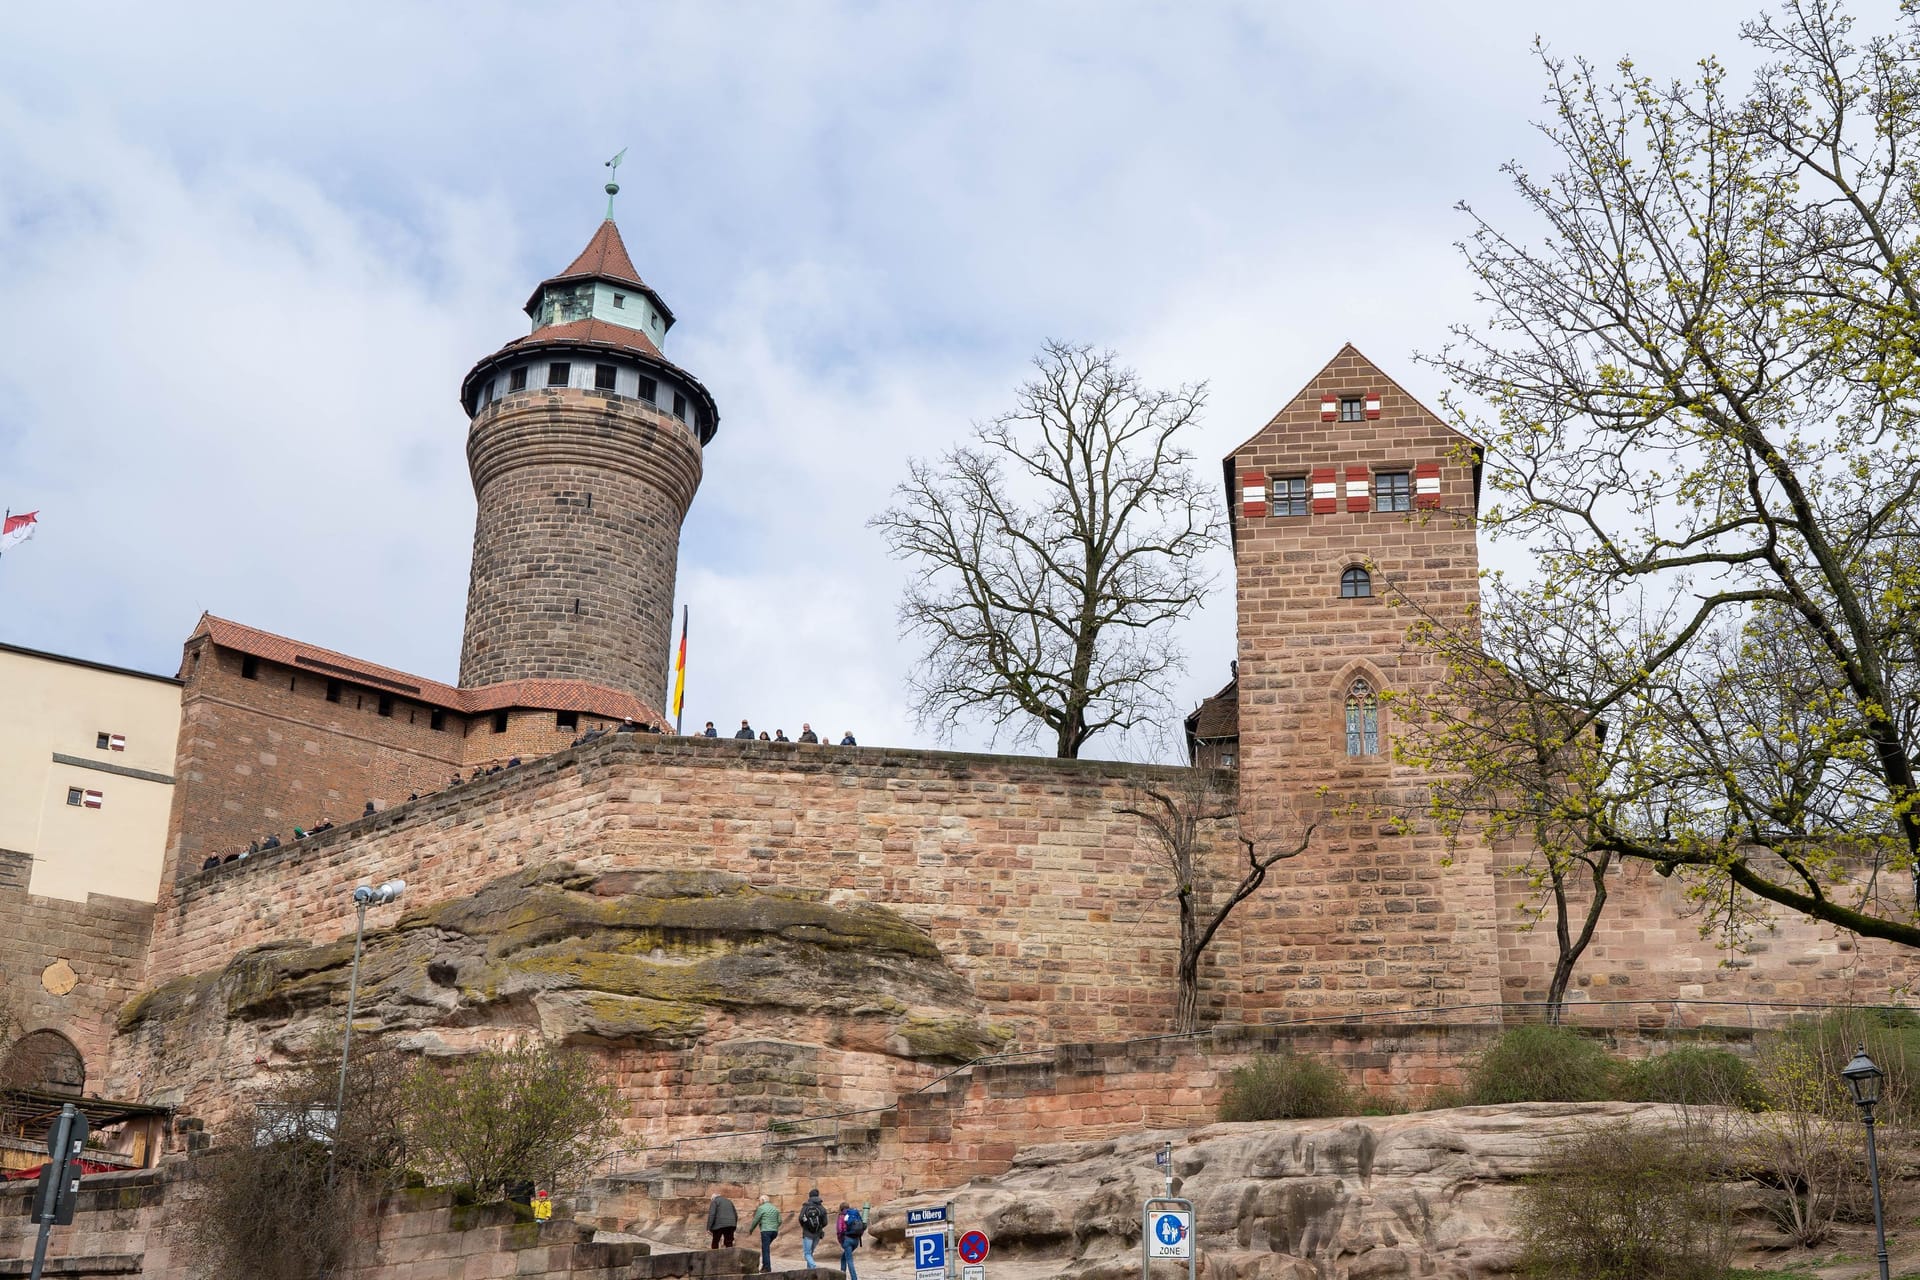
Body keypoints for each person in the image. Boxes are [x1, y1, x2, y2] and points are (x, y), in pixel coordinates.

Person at [798, 1188, 828, 1269]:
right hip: (818, 1233)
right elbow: (825, 1222)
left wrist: (805, 1226)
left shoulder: (806, 1206)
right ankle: (810, 1272)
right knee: (810, 1253)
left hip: (807, 1233)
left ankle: (813, 1267)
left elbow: (800, 1218)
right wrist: (819, 1227)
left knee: (807, 1254)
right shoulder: (821, 1207)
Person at [750, 1194, 780, 1271]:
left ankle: (767, 1267)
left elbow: (756, 1220)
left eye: (760, 1200)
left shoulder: (761, 1208)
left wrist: (751, 1229)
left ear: (763, 1200)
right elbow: (780, 1221)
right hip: (774, 1232)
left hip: (766, 1231)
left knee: (765, 1249)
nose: (759, 1202)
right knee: (765, 1248)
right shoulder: (775, 1208)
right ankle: (764, 1266)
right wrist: (775, 1227)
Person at [836, 1202, 864, 1280]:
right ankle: (842, 1275)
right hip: (856, 1240)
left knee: (849, 1260)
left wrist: (841, 1240)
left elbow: (839, 1230)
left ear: (841, 1208)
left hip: (847, 1240)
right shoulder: (855, 1214)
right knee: (843, 1258)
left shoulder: (841, 1216)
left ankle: (854, 1278)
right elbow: (862, 1226)